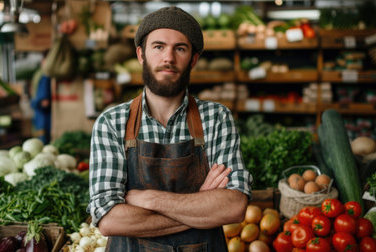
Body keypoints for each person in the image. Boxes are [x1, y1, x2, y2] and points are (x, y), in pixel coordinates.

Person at [87, 6, 252, 251]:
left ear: (193, 59)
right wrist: (201, 208)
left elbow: (234, 206)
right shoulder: (112, 123)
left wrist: (148, 198)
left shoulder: (217, 118)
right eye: (158, 46)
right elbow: (110, 220)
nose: (168, 58)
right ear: (141, 54)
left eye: (180, 49)